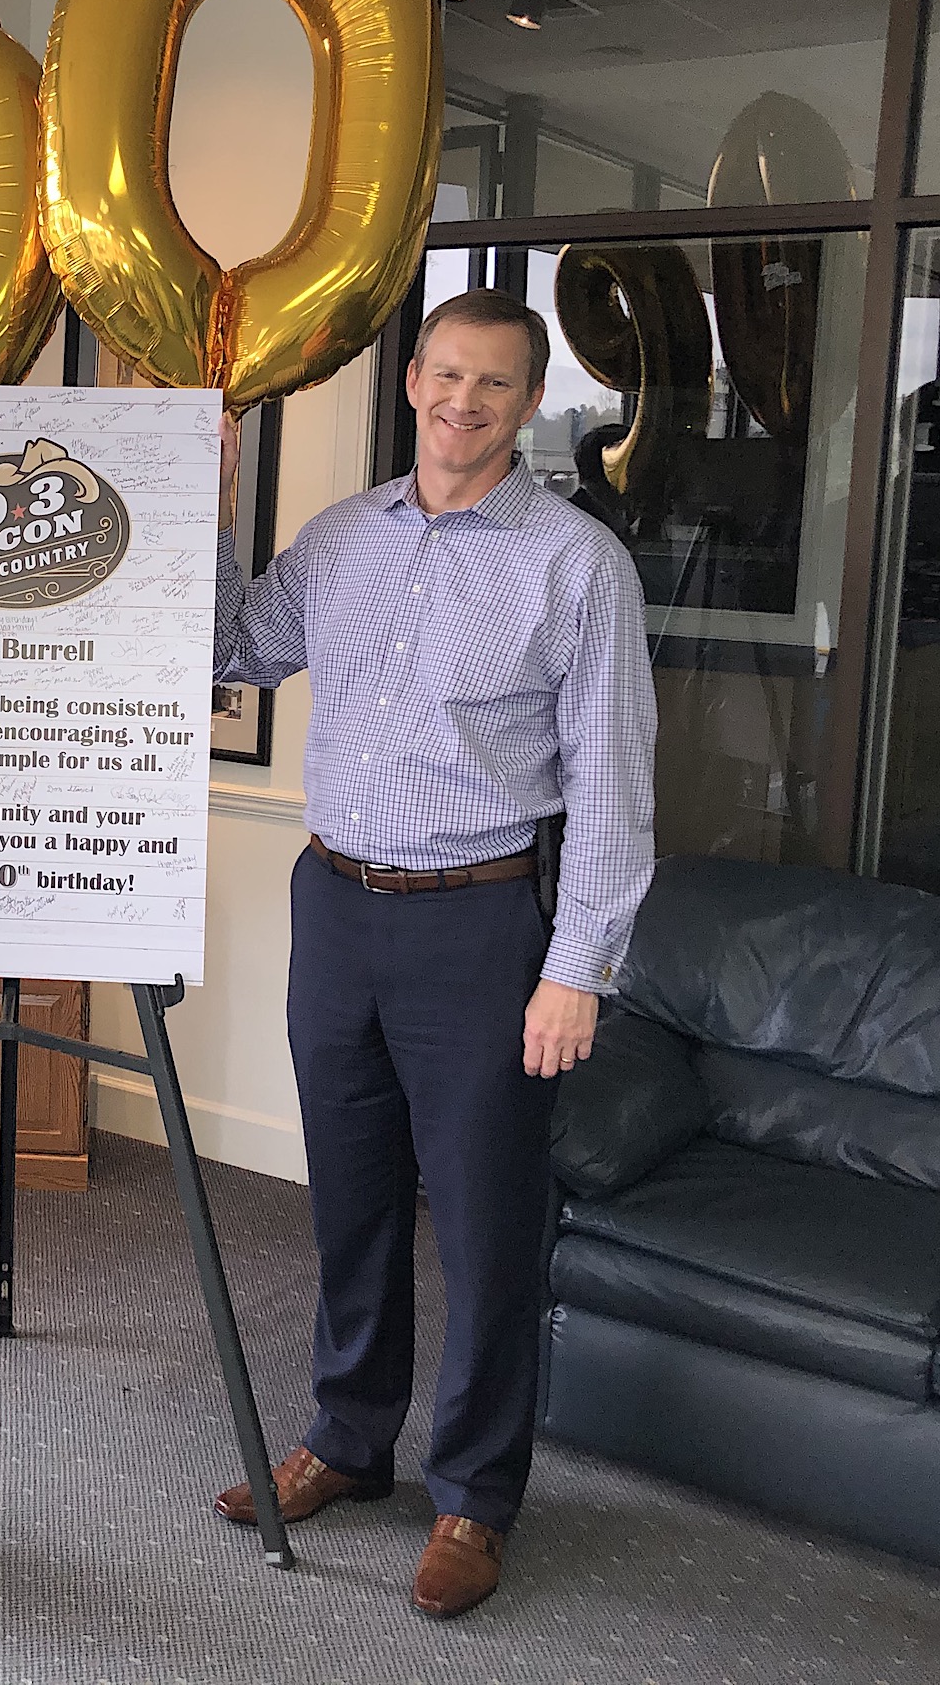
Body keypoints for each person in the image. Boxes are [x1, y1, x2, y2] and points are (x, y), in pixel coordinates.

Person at [208, 288, 655, 1618]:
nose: (466, 402)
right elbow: (233, 643)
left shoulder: (577, 564)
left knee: (484, 1220)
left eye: (497, 385)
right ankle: (349, 1438)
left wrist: (577, 966)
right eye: (448, 375)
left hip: (481, 921)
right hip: (337, 903)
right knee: (345, 1195)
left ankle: (475, 1493)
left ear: (528, 403)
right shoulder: (341, 538)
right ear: (413, 379)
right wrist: (208, 503)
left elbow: (617, 784)